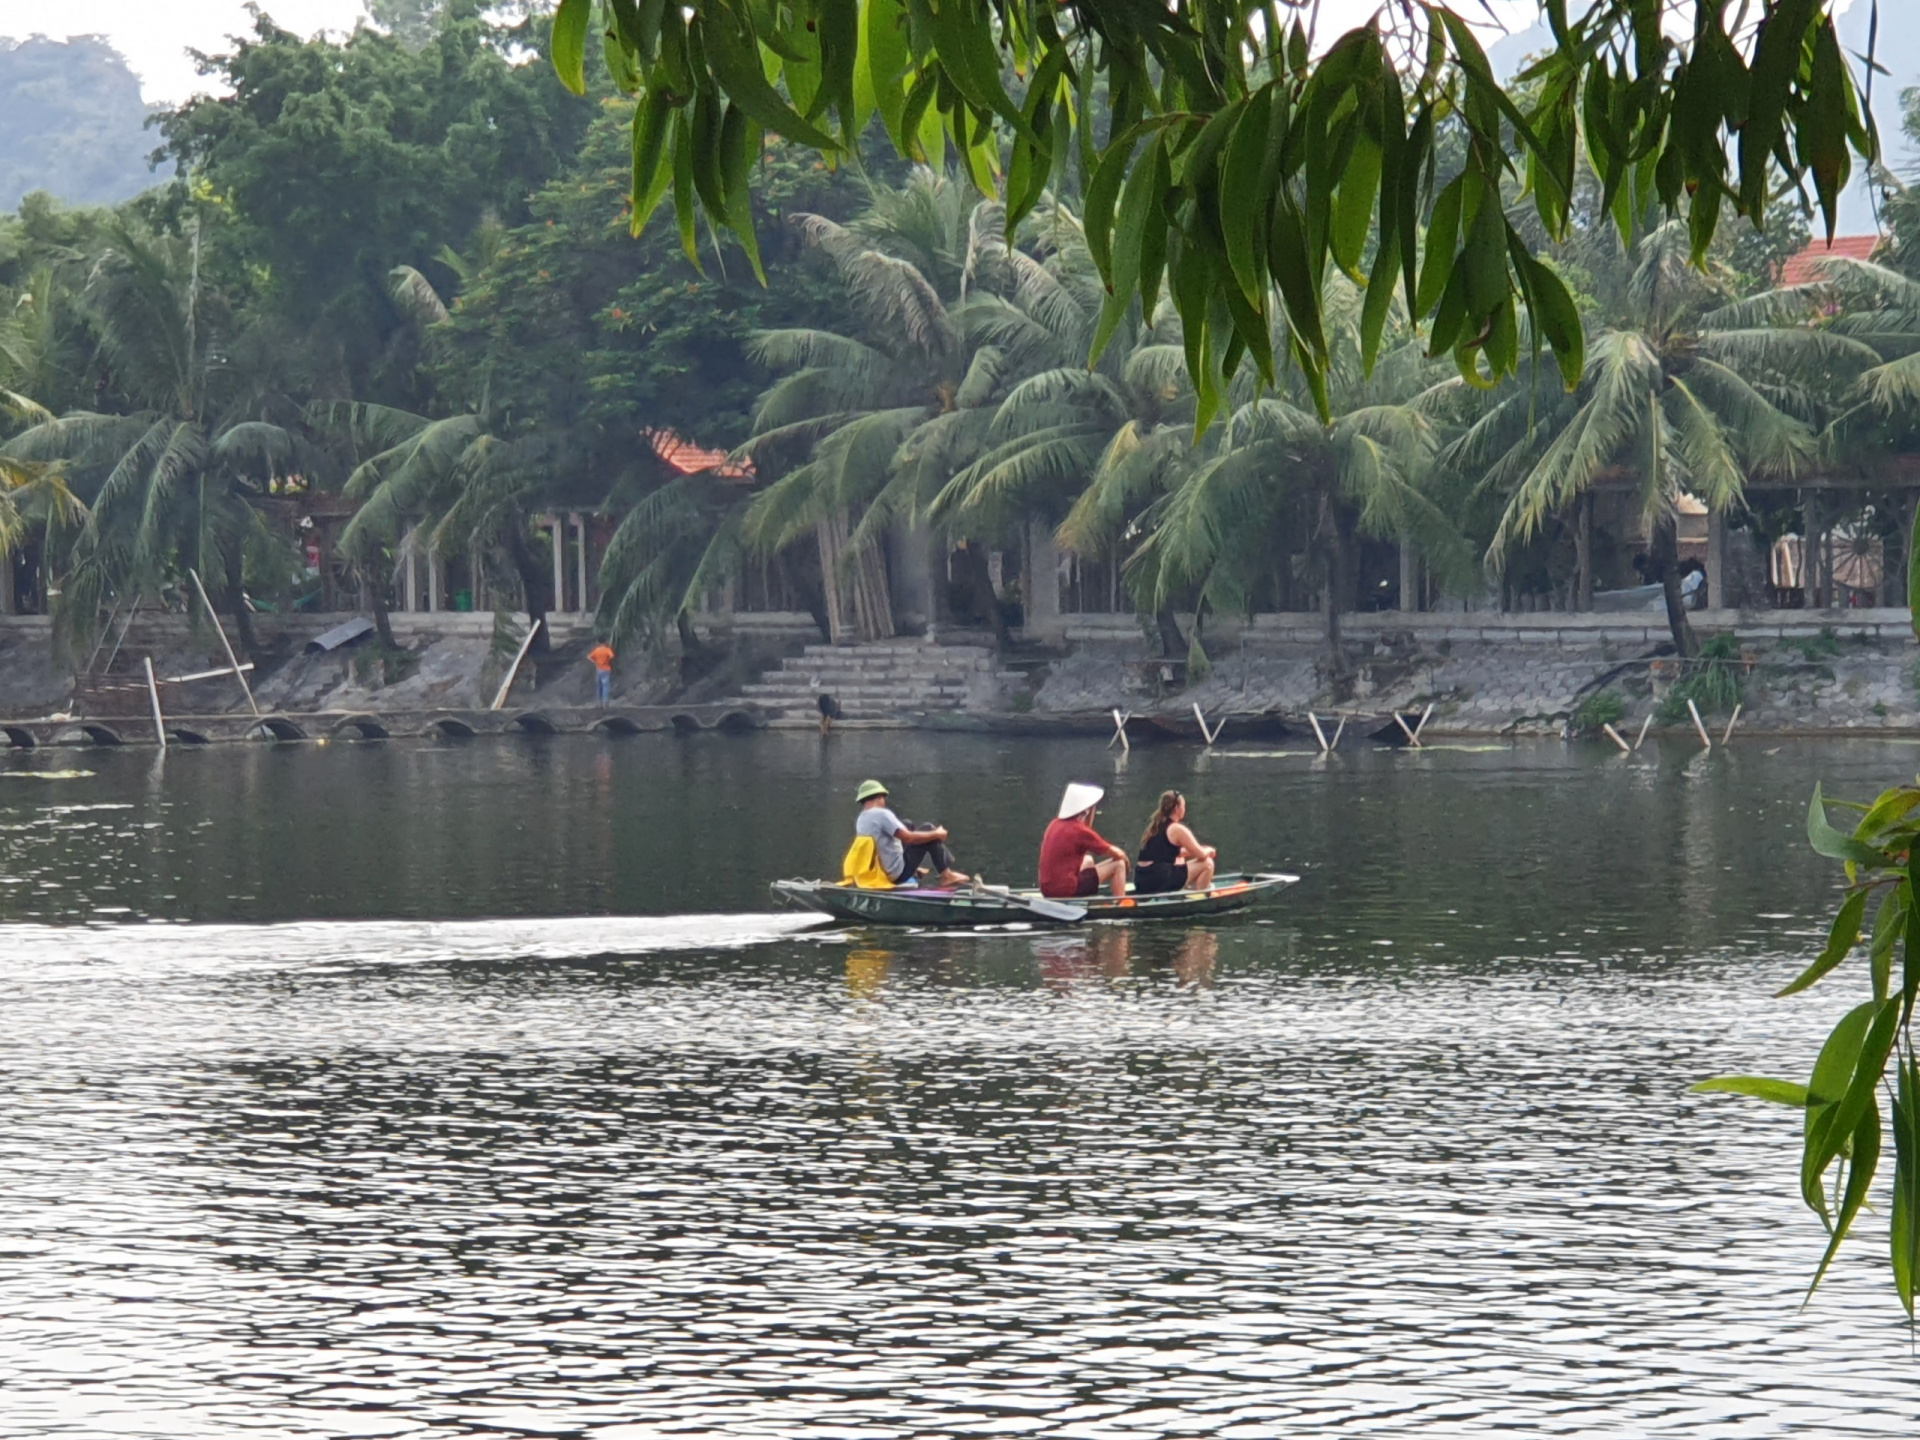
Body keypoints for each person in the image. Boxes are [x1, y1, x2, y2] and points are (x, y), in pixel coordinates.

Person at [853, 779, 968, 888]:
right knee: (928, 829)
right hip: (895, 875)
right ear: (879, 797)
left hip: (878, 872)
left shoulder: (862, 819)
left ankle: (915, 868)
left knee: (906, 824)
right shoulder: (881, 814)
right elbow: (908, 838)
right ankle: (946, 875)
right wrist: (936, 834)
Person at [1039, 783, 1130, 899]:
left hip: (1046, 889)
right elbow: (1118, 854)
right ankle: (1121, 903)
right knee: (1119, 864)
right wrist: (1126, 863)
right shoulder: (1079, 830)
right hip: (1066, 891)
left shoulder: (1054, 824)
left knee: (1088, 860)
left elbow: (1086, 832)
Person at [1134, 790, 1217, 894]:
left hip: (1141, 880)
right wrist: (1209, 850)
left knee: (1180, 859)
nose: (1185, 809)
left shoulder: (1155, 826)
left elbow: (1173, 852)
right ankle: (1201, 896)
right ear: (1177, 808)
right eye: (1184, 806)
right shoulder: (1177, 829)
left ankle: (1185, 888)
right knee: (1207, 864)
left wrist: (1195, 851)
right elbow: (1201, 854)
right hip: (1158, 881)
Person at [586, 638, 616, 705]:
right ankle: (605, 701)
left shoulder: (597, 650)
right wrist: (607, 660)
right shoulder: (607, 649)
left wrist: (595, 662)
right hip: (606, 669)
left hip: (599, 669)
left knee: (599, 686)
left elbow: (589, 657)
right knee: (605, 685)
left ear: (598, 642)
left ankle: (599, 702)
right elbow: (612, 656)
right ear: (605, 641)